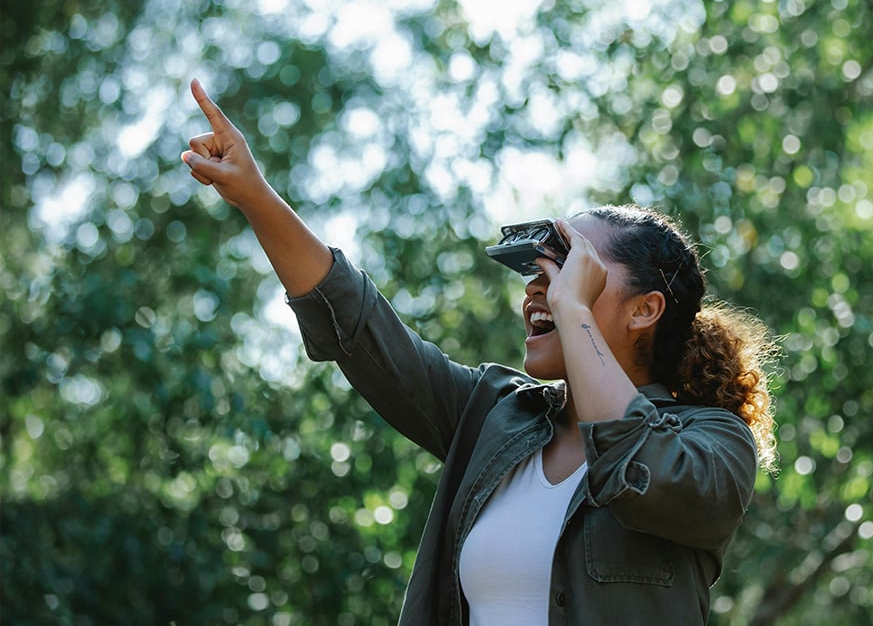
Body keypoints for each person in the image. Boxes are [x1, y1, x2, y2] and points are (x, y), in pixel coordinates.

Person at [182, 78, 779, 625]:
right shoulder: (495, 415)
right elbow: (361, 329)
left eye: (569, 266)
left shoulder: (714, 444)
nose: (539, 287)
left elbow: (637, 471)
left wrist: (573, 312)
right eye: (538, 271)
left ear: (644, 309)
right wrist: (256, 197)